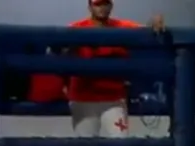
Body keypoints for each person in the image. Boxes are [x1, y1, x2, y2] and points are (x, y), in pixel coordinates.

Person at [67, 0, 166, 138]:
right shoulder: (76, 28)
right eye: (98, 4)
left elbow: (145, 30)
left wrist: (155, 21)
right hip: (84, 98)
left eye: (105, 3)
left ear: (111, 6)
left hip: (113, 99)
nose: (102, 8)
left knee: (121, 143)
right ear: (90, 7)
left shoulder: (122, 26)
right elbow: (57, 50)